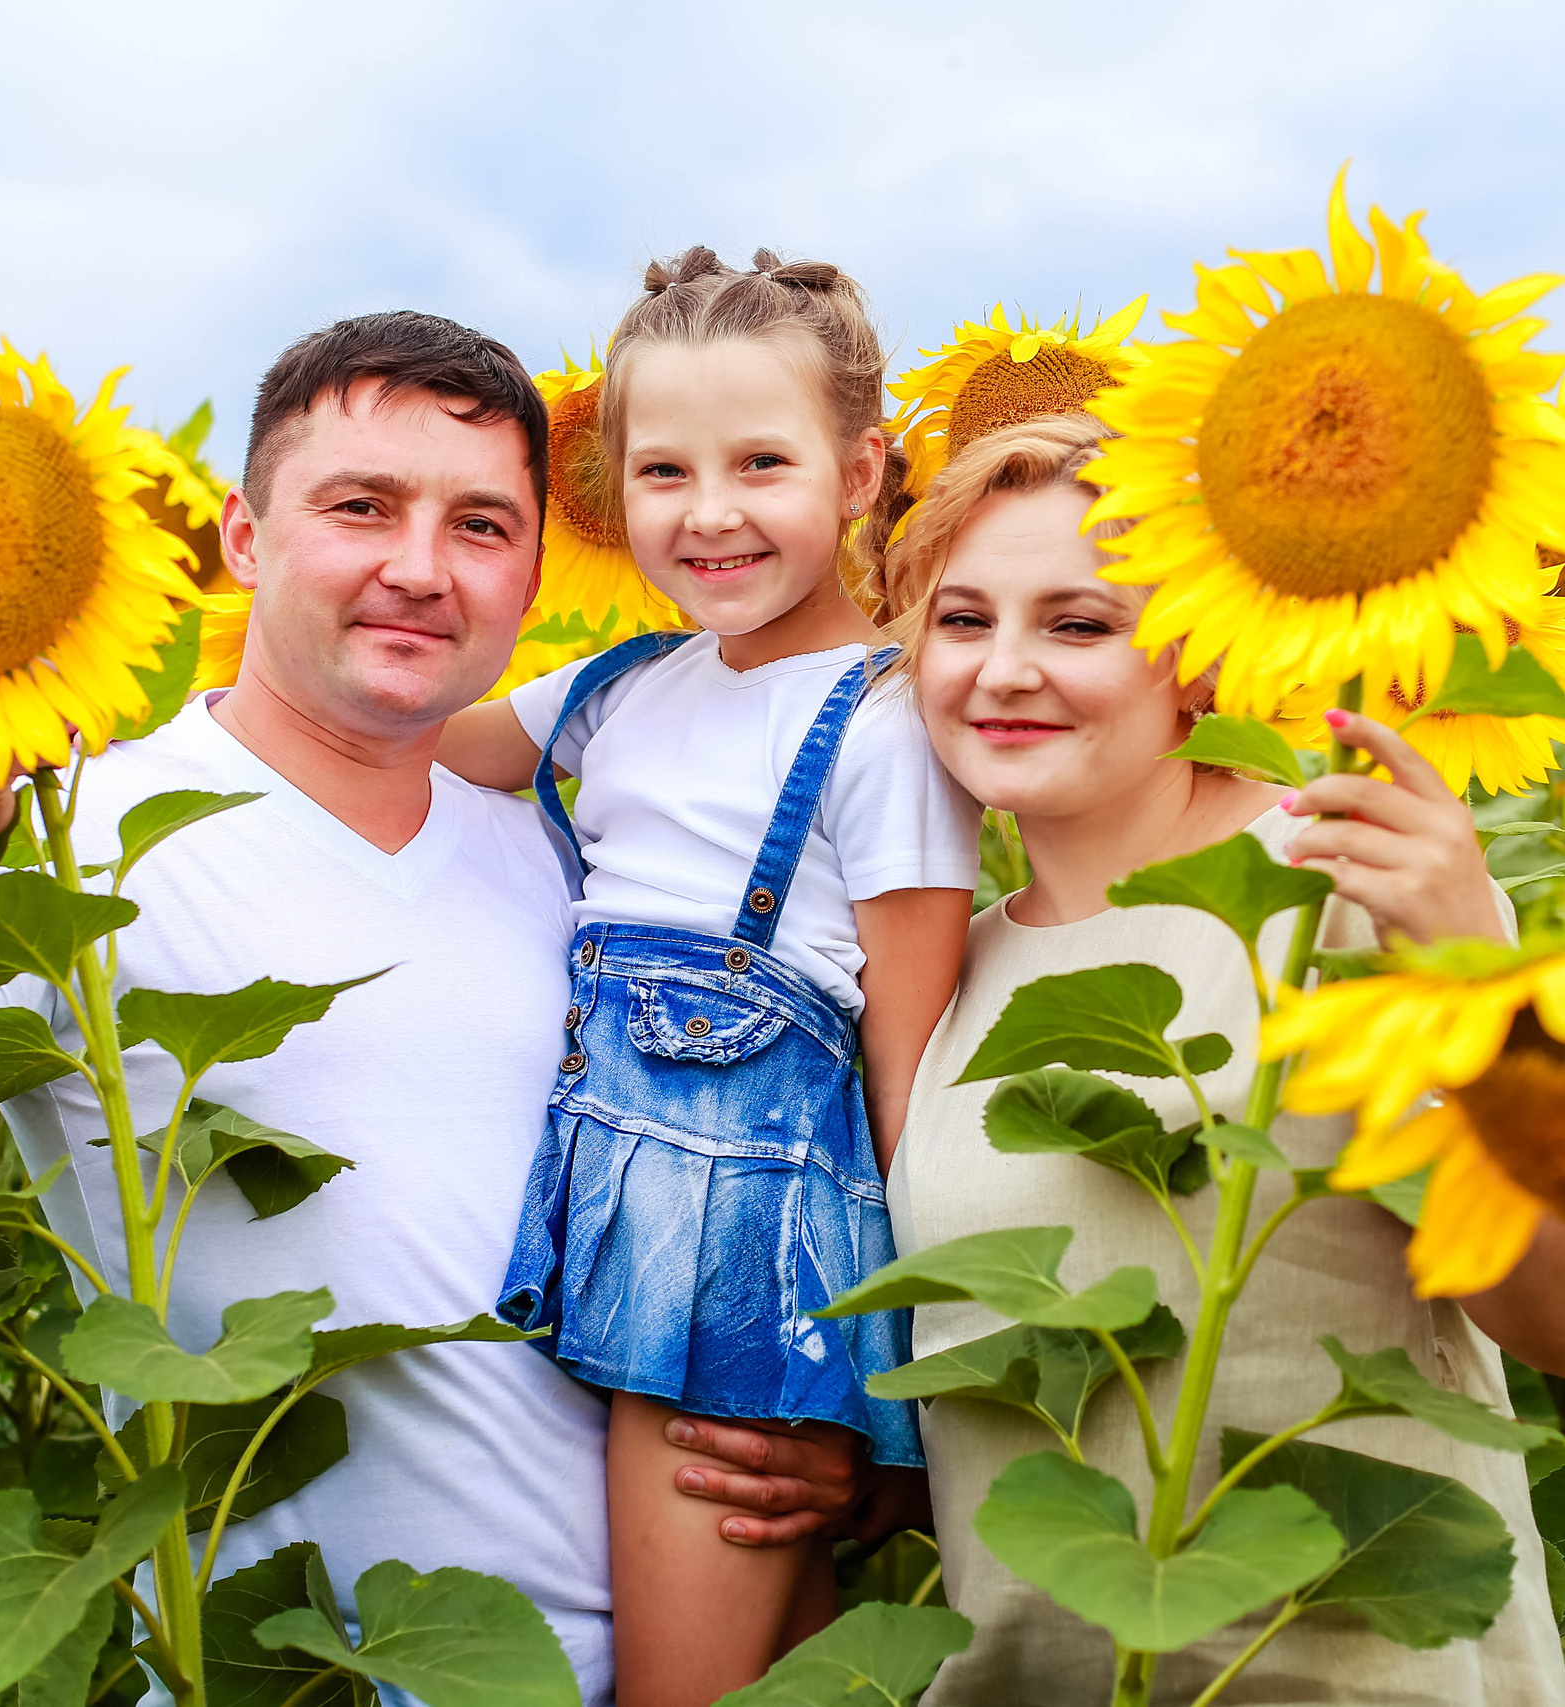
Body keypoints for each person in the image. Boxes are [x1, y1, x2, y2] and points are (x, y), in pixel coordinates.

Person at [0, 312, 633, 1699]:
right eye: (361, 507)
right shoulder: (82, 838)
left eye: (483, 526)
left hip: (642, 1665)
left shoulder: (572, 858)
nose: (419, 568)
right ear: (245, 538)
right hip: (283, 1670)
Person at [869, 411, 1565, 1702]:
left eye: (1079, 624)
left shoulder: (1341, 887)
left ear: (1200, 664)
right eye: (962, 619)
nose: (1003, 670)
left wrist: (1479, 1003)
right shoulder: (945, 970)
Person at [433, 247, 978, 1704]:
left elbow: (909, 1083)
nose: (711, 511)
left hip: (739, 1279)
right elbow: (393, 738)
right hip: (614, 1225)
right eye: (664, 471)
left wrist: (907, 1419)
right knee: (776, 1680)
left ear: (861, 472)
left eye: (762, 462)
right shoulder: (613, 692)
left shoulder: (881, 729)